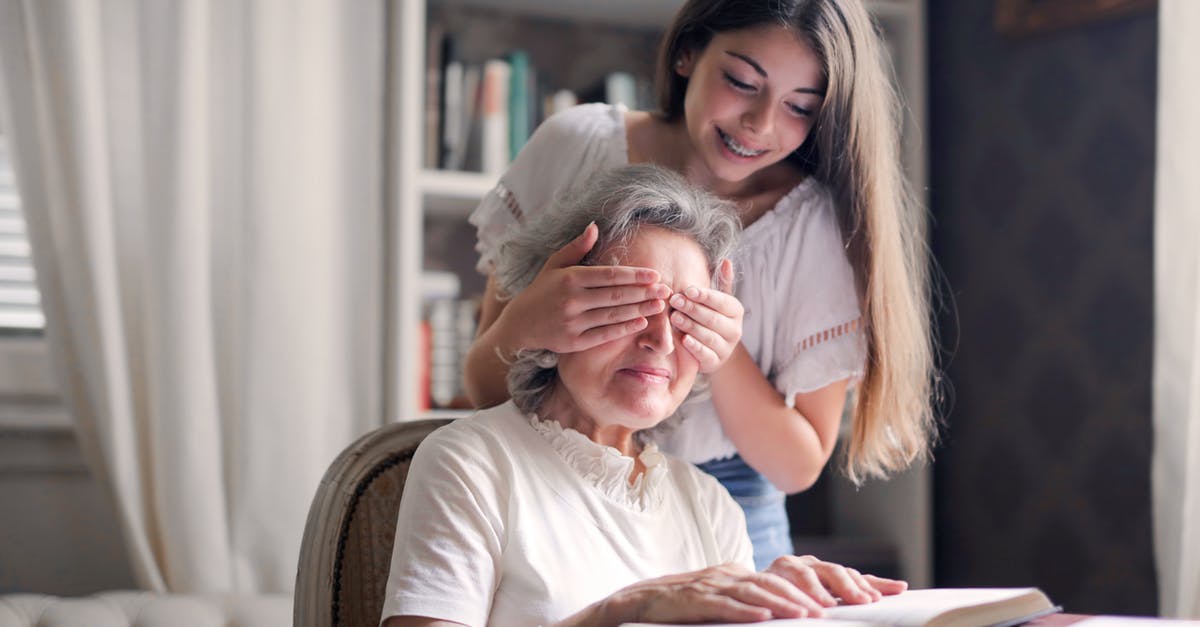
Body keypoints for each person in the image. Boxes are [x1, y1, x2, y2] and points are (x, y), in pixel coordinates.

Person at [463, 0, 937, 569]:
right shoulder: (576, 147)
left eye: (799, 108)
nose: (759, 124)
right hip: (559, 483)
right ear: (688, 52)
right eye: (741, 81)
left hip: (733, 508)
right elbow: (485, 388)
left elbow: (796, 466)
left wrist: (718, 347)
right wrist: (528, 322)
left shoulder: (814, 227)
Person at [381, 165, 905, 627]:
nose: (662, 340)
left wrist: (796, 611)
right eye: (628, 305)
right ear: (559, 310)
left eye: (686, 315)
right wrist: (622, 611)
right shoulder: (471, 465)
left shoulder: (711, 507)